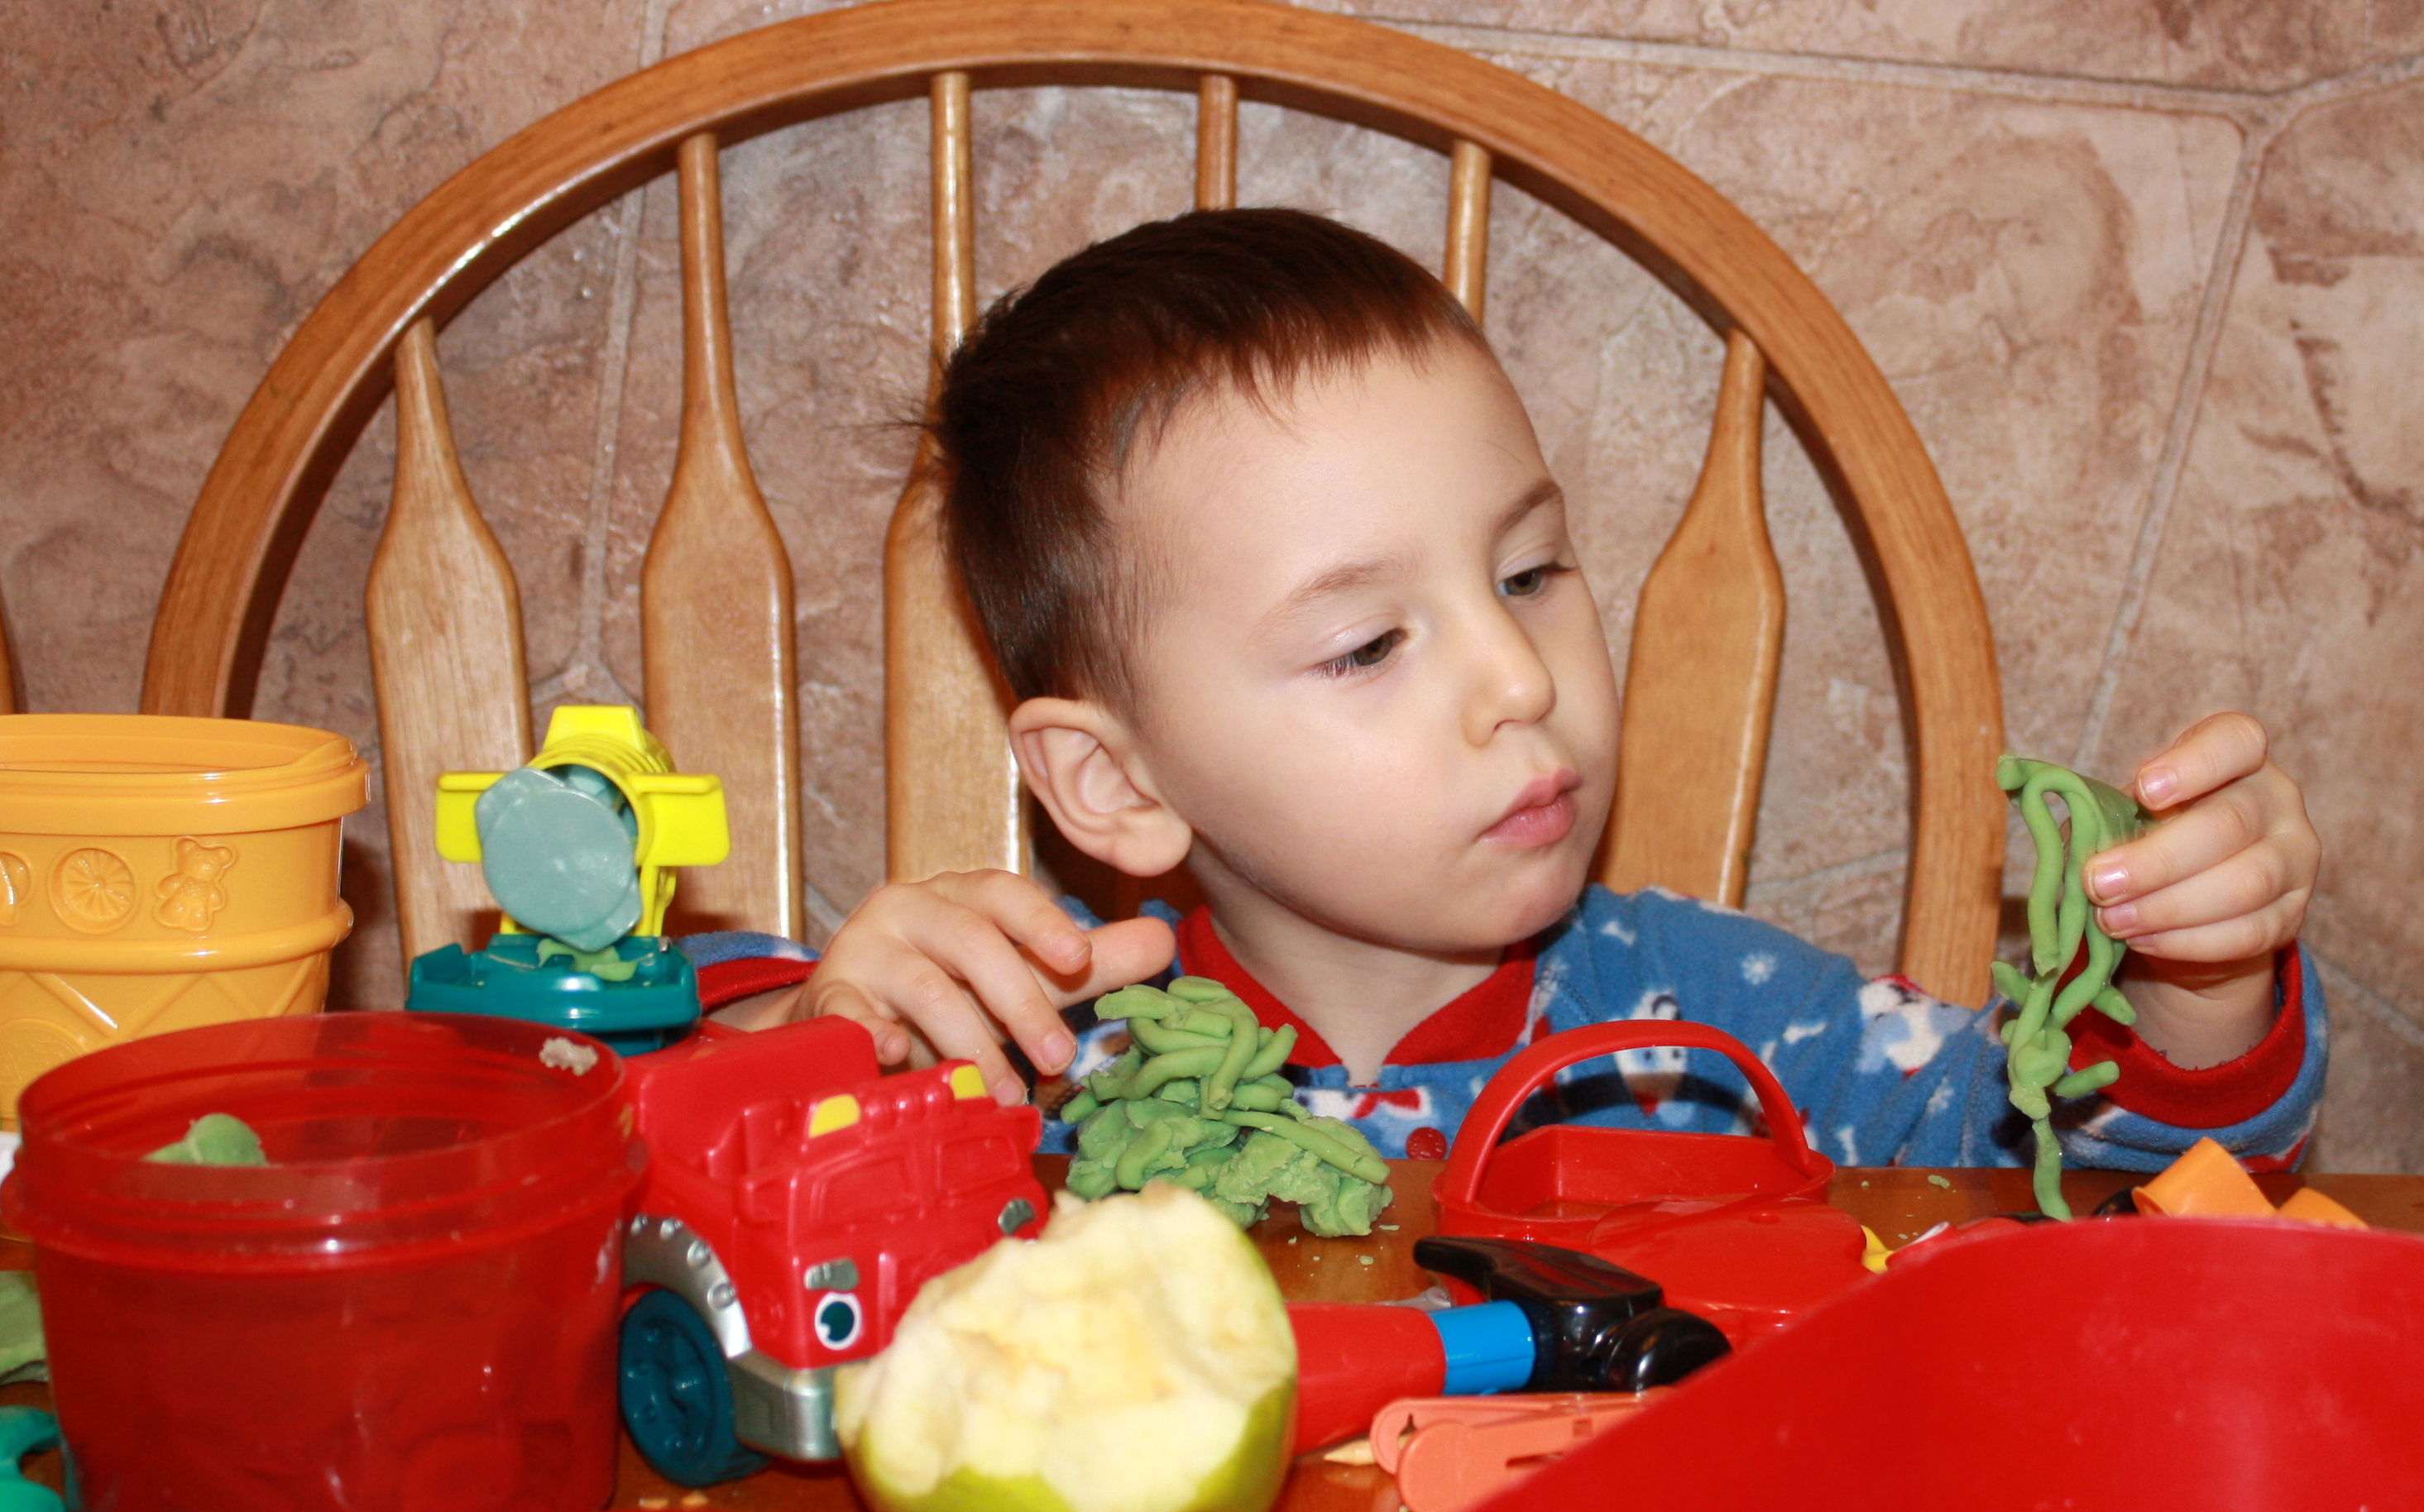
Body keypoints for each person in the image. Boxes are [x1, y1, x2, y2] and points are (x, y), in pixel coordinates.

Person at [698, 208, 2324, 1173]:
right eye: (1367, 645)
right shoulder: (1025, 1065)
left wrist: (2196, 991)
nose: (1515, 675)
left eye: (1530, 573)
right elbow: (629, 1206)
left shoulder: (1732, 1037)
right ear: (1116, 785)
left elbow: (2077, 1168)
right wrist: (798, 1045)